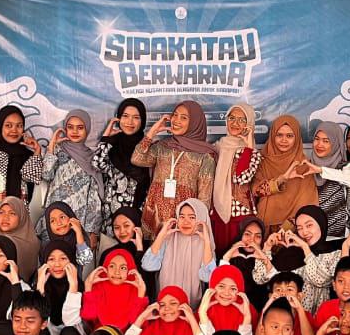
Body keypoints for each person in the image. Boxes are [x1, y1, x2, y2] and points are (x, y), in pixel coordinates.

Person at [132, 100, 217, 236]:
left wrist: (194, 228)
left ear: (195, 123)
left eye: (184, 118)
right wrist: (152, 132)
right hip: (155, 217)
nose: (176, 120)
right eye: (175, 115)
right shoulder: (162, 147)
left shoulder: (205, 156)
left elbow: (204, 200)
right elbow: (137, 159)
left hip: (183, 222)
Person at [249, 206, 342, 314]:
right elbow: (260, 278)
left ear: (321, 224)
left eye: (309, 225)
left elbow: (319, 279)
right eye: (299, 228)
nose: (304, 232)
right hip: (287, 318)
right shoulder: (290, 253)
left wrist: (305, 247)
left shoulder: (335, 254)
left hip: (317, 320)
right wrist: (267, 248)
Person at [42, 109, 107, 242]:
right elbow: (46, 175)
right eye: (70, 127)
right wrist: (52, 145)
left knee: (76, 253)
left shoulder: (91, 157)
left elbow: (94, 197)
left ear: (87, 129)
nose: (75, 131)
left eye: (80, 127)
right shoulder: (58, 150)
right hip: (55, 219)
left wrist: (92, 230)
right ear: (65, 129)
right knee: (52, 252)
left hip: (78, 221)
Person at [141, 198, 216, 305]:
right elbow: (148, 265)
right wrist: (161, 235)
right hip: (165, 306)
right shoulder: (169, 238)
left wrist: (207, 243)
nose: (186, 221)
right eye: (181, 217)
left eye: (192, 217)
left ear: (201, 219)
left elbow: (208, 277)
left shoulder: (204, 244)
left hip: (190, 307)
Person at [209, 103, 262, 252]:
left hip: (240, 215)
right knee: (220, 256)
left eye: (241, 120)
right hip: (217, 212)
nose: (235, 123)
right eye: (231, 118)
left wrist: (248, 148)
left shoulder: (252, 152)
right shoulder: (216, 147)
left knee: (240, 256)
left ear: (249, 124)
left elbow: (242, 179)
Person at [93, 99, 153, 229]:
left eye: (136, 117)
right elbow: (97, 163)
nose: (130, 122)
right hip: (113, 214)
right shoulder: (112, 144)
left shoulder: (147, 147)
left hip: (138, 211)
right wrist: (106, 137)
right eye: (125, 116)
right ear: (119, 118)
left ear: (142, 121)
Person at [252, 114, 317, 230]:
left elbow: (308, 206)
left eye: (289, 136)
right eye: (279, 135)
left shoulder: (304, 166)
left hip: (294, 230)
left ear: (297, 138)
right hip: (264, 228)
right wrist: (281, 180)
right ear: (272, 135)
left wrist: (285, 230)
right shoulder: (261, 160)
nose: (284, 140)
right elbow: (255, 190)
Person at [35, 240, 87, 335]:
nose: (57, 264)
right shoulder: (40, 283)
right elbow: (36, 318)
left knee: (68, 333)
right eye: (51, 259)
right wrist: (40, 288)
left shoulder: (80, 286)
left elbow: (70, 322)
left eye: (63, 258)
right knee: (40, 330)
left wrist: (73, 286)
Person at [303, 121, 350, 239]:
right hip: (310, 235)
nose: (319, 144)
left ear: (335, 143)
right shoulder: (307, 165)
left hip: (338, 235)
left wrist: (321, 170)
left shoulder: (345, 167)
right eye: (317, 139)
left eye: (326, 141)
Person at [81, 249, 150, 335]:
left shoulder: (135, 289)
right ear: (106, 268)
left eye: (123, 268)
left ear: (130, 270)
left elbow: (137, 324)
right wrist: (88, 287)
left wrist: (141, 294)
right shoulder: (98, 286)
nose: (117, 272)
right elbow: (89, 316)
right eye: (112, 266)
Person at [196, 265, 257, 335]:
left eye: (233, 288)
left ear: (240, 291)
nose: (226, 293)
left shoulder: (248, 309)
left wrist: (247, 318)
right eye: (221, 286)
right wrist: (202, 314)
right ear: (212, 287)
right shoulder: (204, 308)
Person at [221, 217, 269, 310]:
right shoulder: (228, 254)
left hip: (256, 310)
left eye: (258, 236)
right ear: (240, 235)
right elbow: (217, 284)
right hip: (229, 307)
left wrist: (263, 259)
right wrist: (227, 258)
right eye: (247, 234)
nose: (252, 240)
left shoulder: (266, 258)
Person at [37, 202, 96, 272]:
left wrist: (79, 232)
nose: (59, 223)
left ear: (71, 217)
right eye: (52, 221)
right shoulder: (47, 245)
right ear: (49, 226)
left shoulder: (80, 240)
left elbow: (85, 260)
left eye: (62, 217)